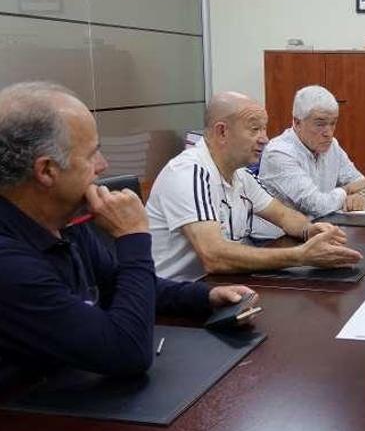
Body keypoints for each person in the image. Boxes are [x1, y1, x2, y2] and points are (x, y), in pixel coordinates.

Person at [0, 81, 254, 376]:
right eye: (91, 154)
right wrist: (133, 236)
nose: (103, 165)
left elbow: (117, 283)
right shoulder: (9, 263)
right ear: (46, 171)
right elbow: (127, 352)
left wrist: (203, 297)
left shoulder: (64, 221)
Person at [146, 91, 362, 282]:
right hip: (175, 299)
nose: (264, 139)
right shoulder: (190, 172)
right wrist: (300, 256)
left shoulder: (239, 174)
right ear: (222, 132)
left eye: (264, 129)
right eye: (255, 130)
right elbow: (214, 256)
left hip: (220, 285)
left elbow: (283, 216)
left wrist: (310, 230)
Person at [256, 85, 365, 223]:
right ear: (297, 122)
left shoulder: (332, 145)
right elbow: (317, 206)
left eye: (333, 123)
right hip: (276, 239)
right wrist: (347, 190)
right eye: (320, 124)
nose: (328, 133)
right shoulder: (278, 153)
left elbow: (362, 183)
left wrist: (361, 195)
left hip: (318, 229)